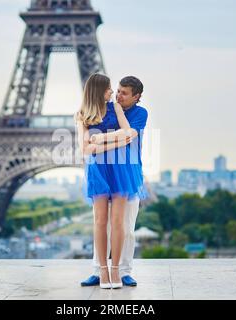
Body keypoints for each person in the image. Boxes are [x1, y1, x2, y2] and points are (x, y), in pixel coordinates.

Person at [77, 75, 148, 288]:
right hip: (101, 170)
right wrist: (109, 140)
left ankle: (124, 271)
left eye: (124, 93)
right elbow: (87, 146)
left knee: (126, 226)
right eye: (117, 90)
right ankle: (99, 271)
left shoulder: (139, 113)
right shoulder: (102, 109)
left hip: (127, 171)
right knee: (101, 223)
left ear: (137, 97)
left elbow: (129, 135)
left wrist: (99, 139)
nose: (118, 95)